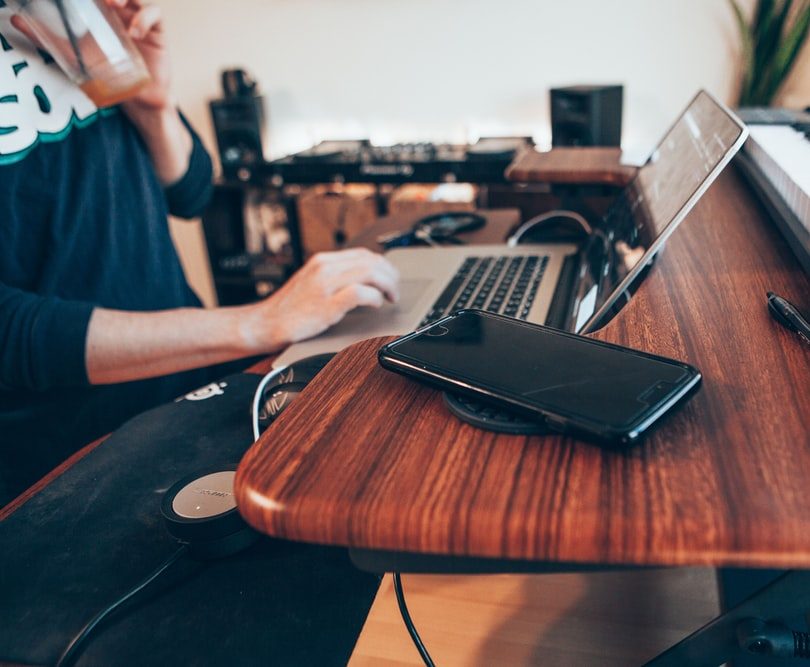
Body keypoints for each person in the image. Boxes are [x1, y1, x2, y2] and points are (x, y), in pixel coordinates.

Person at [0, 0, 400, 505]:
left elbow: (189, 191)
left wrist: (154, 105)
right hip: (66, 460)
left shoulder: (62, 13)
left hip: (188, 390)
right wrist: (259, 322)